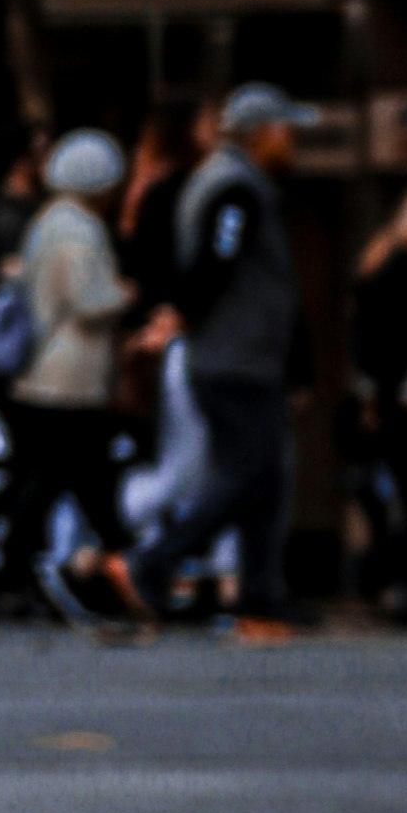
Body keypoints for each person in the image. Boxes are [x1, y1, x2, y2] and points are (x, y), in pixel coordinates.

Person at [133, 82, 306, 635]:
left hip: (244, 354)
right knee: (242, 471)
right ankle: (155, 560)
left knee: (265, 478)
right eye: (286, 131)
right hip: (233, 356)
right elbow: (217, 261)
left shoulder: (230, 182)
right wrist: (183, 314)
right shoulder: (236, 188)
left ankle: (260, 590)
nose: (292, 143)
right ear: (263, 134)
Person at [0, 130, 137, 623]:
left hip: (44, 371)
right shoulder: (80, 229)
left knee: (56, 476)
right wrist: (125, 294)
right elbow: (89, 299)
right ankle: (123, 561)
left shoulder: (46, 222)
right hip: (68, 375)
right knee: (75, 475)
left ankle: (26, 569)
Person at [349, 164, 407, 617]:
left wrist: (370, 391)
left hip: (392, 398)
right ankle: (399, 581)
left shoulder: (384, 258)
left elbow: (366, 335)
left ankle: (387, 579)